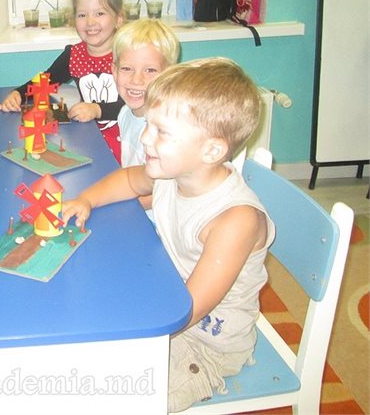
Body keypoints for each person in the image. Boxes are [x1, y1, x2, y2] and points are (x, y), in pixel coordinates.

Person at [61, 58, 276, 412]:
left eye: (162, 131)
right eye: (149, 124)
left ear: (212, 150)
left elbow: (186, 311)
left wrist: (119, 333)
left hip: (203, 345)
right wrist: (86, 199)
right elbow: (129, 180)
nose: (145, 137)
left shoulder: (234, 221)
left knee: (106, 395)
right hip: (166, 296)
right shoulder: (175, 172)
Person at [0, 0, 125, 163]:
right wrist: (18, 94)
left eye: (99, 13)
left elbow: (141, 102)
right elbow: (45, 81)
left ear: (118, 19)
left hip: (128, 143)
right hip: (91, 140)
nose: (90, 22)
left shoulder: (128, 54)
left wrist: (98, 109)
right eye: (82, 15)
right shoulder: (74, 55)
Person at [113, 18, 181, 168]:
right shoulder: (125, 113)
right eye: (126, 68)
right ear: (114, 71)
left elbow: (155, 180)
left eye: (150, 70)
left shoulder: (165, 130)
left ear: (169, 75)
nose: (136, 80)